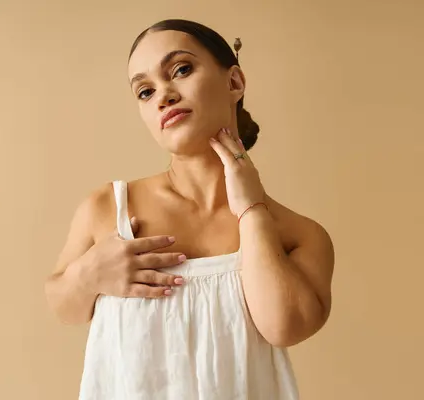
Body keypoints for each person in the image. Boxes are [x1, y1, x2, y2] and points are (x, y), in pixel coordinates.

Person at [45, 18, 335, 400]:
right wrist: (88, 276)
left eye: (181, 70)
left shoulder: (299, 235)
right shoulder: (108, 207)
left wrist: (252, 209)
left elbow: (285, 327)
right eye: (145, 92)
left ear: (234, 83)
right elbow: (63, 305)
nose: (163, 95)